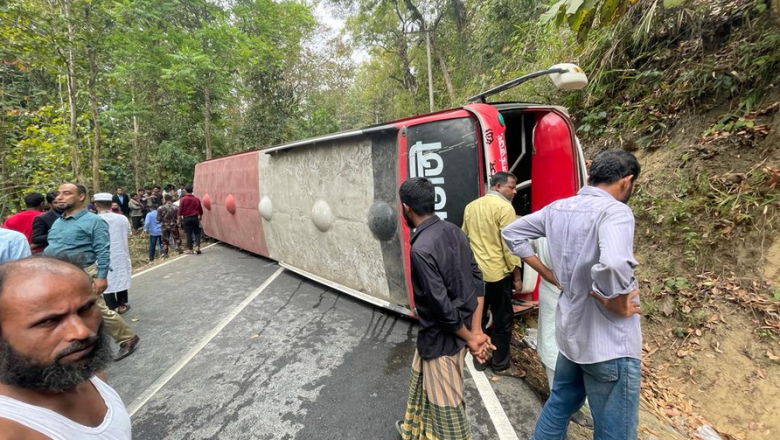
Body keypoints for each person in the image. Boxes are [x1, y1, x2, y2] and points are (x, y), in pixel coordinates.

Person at [502, 149, 642, 440]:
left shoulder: (558, 209)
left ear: (591, 174)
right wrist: (613, 300)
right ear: (627, 181)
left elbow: (512, 233)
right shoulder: (614, 211)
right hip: (608, 346)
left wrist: (547, 273)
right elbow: (615, 263)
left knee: (559, 405)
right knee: (614, 432)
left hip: (571, 336)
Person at [396, 177, 492, 440]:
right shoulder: (453, 230)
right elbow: (477, 278)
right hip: (459, 333)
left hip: (443, 341)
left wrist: (473, 337)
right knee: (424, 387)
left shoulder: (421, 249)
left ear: (407, 208)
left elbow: (441, 307)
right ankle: (413, 431)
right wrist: (475, 330)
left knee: (448, 409)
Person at [0, 256, 131, 439]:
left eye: (85, 309)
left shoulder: (85, 371)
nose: (81, 332)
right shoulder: (9, 430)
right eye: (48, 321)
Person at [44, 183, 140, 361]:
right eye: (58, 194)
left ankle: (127, 338)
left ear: (81, 197)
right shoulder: (58, 221)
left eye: (66, 193)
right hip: (59, 275)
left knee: (98, 309)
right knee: (70, 311)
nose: (59, 197)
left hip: (83, 273)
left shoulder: (94, 221)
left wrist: (102, 277)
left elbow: (103, 250)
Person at [461, 171, 525, 378]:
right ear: (498, 187)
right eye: (512, 187)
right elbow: (510, 246)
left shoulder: (471, 206)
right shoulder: (505, 208)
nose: (515, 191)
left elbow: (464, 239)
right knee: (502, 319)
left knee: (477, 318)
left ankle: (480, 358)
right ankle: (501, 364)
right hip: (497, 274)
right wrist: (516, 276)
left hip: (476, 274)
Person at [94, 193, 133, 314]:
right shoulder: (122, 218)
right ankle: (122, 303)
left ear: (96, 205)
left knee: (106, 276)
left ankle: (111, 306)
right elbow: (129, 233)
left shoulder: (93, 220)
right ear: (111, 204)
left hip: (101, 254)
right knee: (121, 274)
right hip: (120, 252)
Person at [178, 185, 203, 255]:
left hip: (186, 218)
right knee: (197, 232)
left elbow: (180, 211)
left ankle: (190, 249)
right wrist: (200, 216)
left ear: (185, 191)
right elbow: (200, 209)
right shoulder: (196, 199)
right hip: (195, 217)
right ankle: (197, 246)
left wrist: (179, 221)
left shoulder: (182, 199)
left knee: (188, 233)